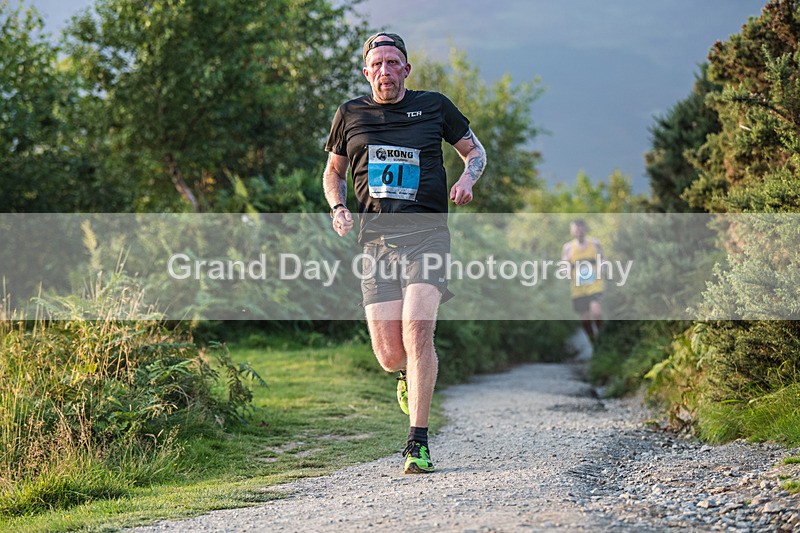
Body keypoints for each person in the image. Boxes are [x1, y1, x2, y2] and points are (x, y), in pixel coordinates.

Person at [322, 32, 486, 474]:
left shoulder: (434, 106)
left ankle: (418, 442)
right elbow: (333, 172)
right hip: (375, 243)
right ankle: (404, 374)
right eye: (377, 64)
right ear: (366, 72)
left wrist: (467, 178)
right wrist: (338, 207)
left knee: (417, 333)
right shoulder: (350, 114)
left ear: (406, 69)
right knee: (391, 355)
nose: (385, 70)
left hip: (427, 236)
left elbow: (474, 151)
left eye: (393, 62)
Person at [561, 219, 604, 346]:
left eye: (580, 228)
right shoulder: (568, 247)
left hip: (594, 284)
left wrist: (601, 268)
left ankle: (603, 337)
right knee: (585, 318)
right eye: (576, 229)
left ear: (585, 229)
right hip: (578, 286)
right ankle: (593, 342)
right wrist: (565, 271)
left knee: (596, 311)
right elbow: (564, 264)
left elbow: (603, 259)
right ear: (572, 231)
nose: (579, 231)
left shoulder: (594, 243)